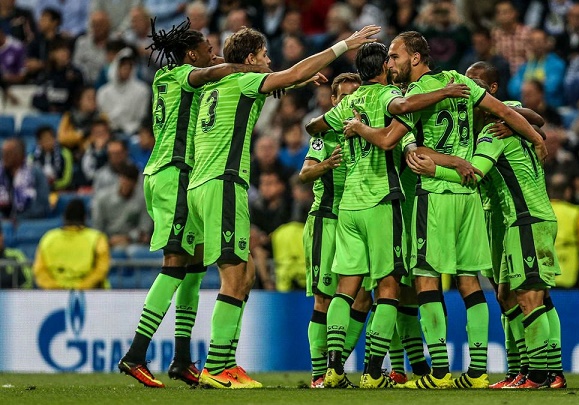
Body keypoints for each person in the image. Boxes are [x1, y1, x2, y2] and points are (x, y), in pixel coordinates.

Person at [342, 31, 545, 389]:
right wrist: (537, 138)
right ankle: (479, 373)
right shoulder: (459, 80)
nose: (390, 64)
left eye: (395, 56)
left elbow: (401, 146)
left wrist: (359, 127)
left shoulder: (413, 95)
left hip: (432, 193)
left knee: (425, 280)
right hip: (467, 194)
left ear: (416, 58)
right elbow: (503, 111)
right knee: (470, 282)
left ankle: (439, 373)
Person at [185, 24, 381, 389]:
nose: (269, 61)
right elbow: (291, 72)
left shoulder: (217, 84)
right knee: (233, 277)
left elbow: (284, 80)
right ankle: (215, 366)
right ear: (250, 59)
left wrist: (293, 83)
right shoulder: (243, 81)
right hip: (222, 185)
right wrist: (344, 45)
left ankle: (226, 361)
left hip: (203, 184)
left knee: (246, 275)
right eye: (264, 56)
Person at [306, 39, 470, 388]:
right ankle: (370, 372)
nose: (393, 65)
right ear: (382, 67)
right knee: (389, 288)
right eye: (390, 60)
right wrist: (444, 93)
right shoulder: (385, 98)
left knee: (345, 289)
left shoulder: (348, 103)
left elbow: (313, 127)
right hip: (381, 201)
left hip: (347, 205)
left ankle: (332, 368)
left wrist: (339, 126)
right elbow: (402, 111)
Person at [118, 18, 270, 389]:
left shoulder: (164, 80)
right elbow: (213, 76)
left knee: (195, 263)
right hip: (174, 174)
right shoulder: (182, 75)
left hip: (177, 176)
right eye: (208, 50)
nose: (213, 54)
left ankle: (182, 358)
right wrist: (245, 67)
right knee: (174, 264)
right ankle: (136, 354)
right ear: (190, 54)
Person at [407, 98, 563, 389]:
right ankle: (523, 370)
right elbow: (534, 120)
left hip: (526, 218)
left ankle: (542, 375)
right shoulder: (510, 120)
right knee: (509, 296)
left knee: (531, 298)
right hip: (520, 221)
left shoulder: (493, 132)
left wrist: (435, 170)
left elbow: (474, 174)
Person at [298, 72, 374, 388]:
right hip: (326, 221)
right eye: (343, 97)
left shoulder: (366, 133)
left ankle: (336, 367)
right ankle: (319, 376)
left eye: (355, 96)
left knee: (363, 299)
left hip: (355, 224)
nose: (349, 102)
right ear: (333, 101)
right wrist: (327, 164)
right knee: (324, 300)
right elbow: (304, 174)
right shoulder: (324, 137)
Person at [33, 199, 110, 290]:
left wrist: (56, 288)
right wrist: (81, 287)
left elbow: (39, 271)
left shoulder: (48, 238)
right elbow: (101, 269)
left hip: (55, 296)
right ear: (85, 218)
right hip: (92, 295)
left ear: (64, 217)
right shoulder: (97, 238)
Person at [549, 173, 579, 289]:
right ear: (568, 192)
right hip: (570, 279)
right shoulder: (577, 214)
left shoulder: (536, 214)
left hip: (542, 278)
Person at [91, 162, 152, 256]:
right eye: (124, 179)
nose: (125, 184)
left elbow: (144, 229)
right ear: (120, 179)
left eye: (129, 181)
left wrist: (128, 238)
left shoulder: (143, 200)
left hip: (133, 242)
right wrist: (108, 241)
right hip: (107, 241)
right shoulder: (102, 199)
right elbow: (97, 227)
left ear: (135, 184)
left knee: (134, 251)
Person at [0, 137, 50, 220]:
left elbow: (42, 206)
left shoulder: (36, 173)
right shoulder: (1, 173)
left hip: (30, 223)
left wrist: (17, 218)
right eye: (3, 153)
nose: (4, 156)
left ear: (20, 154)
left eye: (8, 153)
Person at [31, 126, 73, 191]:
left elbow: (67, 179)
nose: (48, 142)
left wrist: (53, 184)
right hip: (38, 190)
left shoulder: (65, 153)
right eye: (44, 139)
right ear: (39, 142)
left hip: (60, 190)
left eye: (50, 138)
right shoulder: (32, 156)